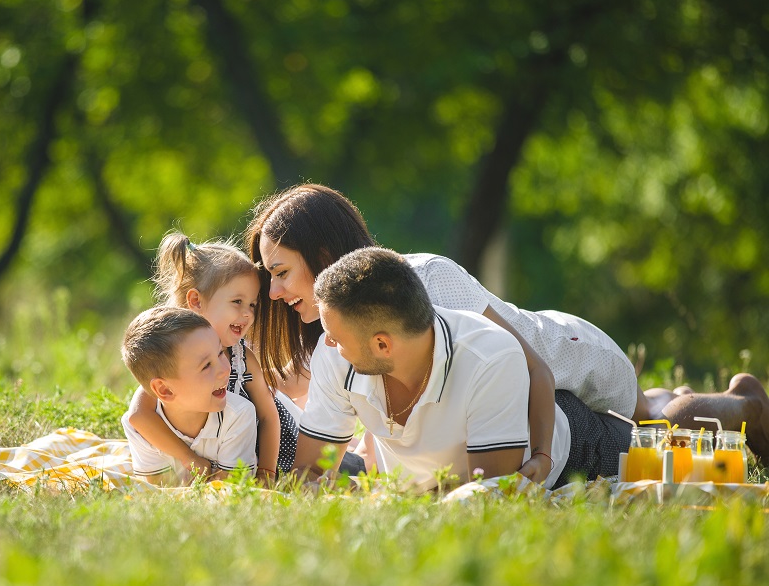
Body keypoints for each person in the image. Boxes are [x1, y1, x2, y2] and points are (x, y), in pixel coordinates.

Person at [247, 183, 769, 468]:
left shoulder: (425, 281)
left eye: (281, 272)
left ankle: (746, 407)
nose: (273, 292)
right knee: (640, 419)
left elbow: (533, 369)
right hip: (537, 383)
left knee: (654, 418)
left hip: (567, 355)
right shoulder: (345, 320)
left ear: (321, 254)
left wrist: (539, 458)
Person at [293, 247, 632, 490]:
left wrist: (395, 498)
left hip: (574, 449)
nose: (327, 344)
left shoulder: (489, 357)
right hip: (428, 479)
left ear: (383, 345)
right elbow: (308, 473)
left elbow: (487, 494)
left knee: (661, 444)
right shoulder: (335, 356)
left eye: (335, 336)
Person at [126, 232, 296, 482]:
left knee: (346, 467)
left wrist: (267, 472)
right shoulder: (172, 353)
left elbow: (268, 417)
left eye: (252, 304)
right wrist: (188, 458)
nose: (247, 313)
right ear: (196, 300)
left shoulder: (242, 358)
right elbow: (139, 415)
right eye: (237, 301)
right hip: (214, 454)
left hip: (272, 449)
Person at [120, 306, 258, 485]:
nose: (225, 370)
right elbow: (159, 492)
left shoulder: (238, 414)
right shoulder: (140, 430)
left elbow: (231, 489)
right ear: (165, 390)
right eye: (206, 365)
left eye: (220, 353)